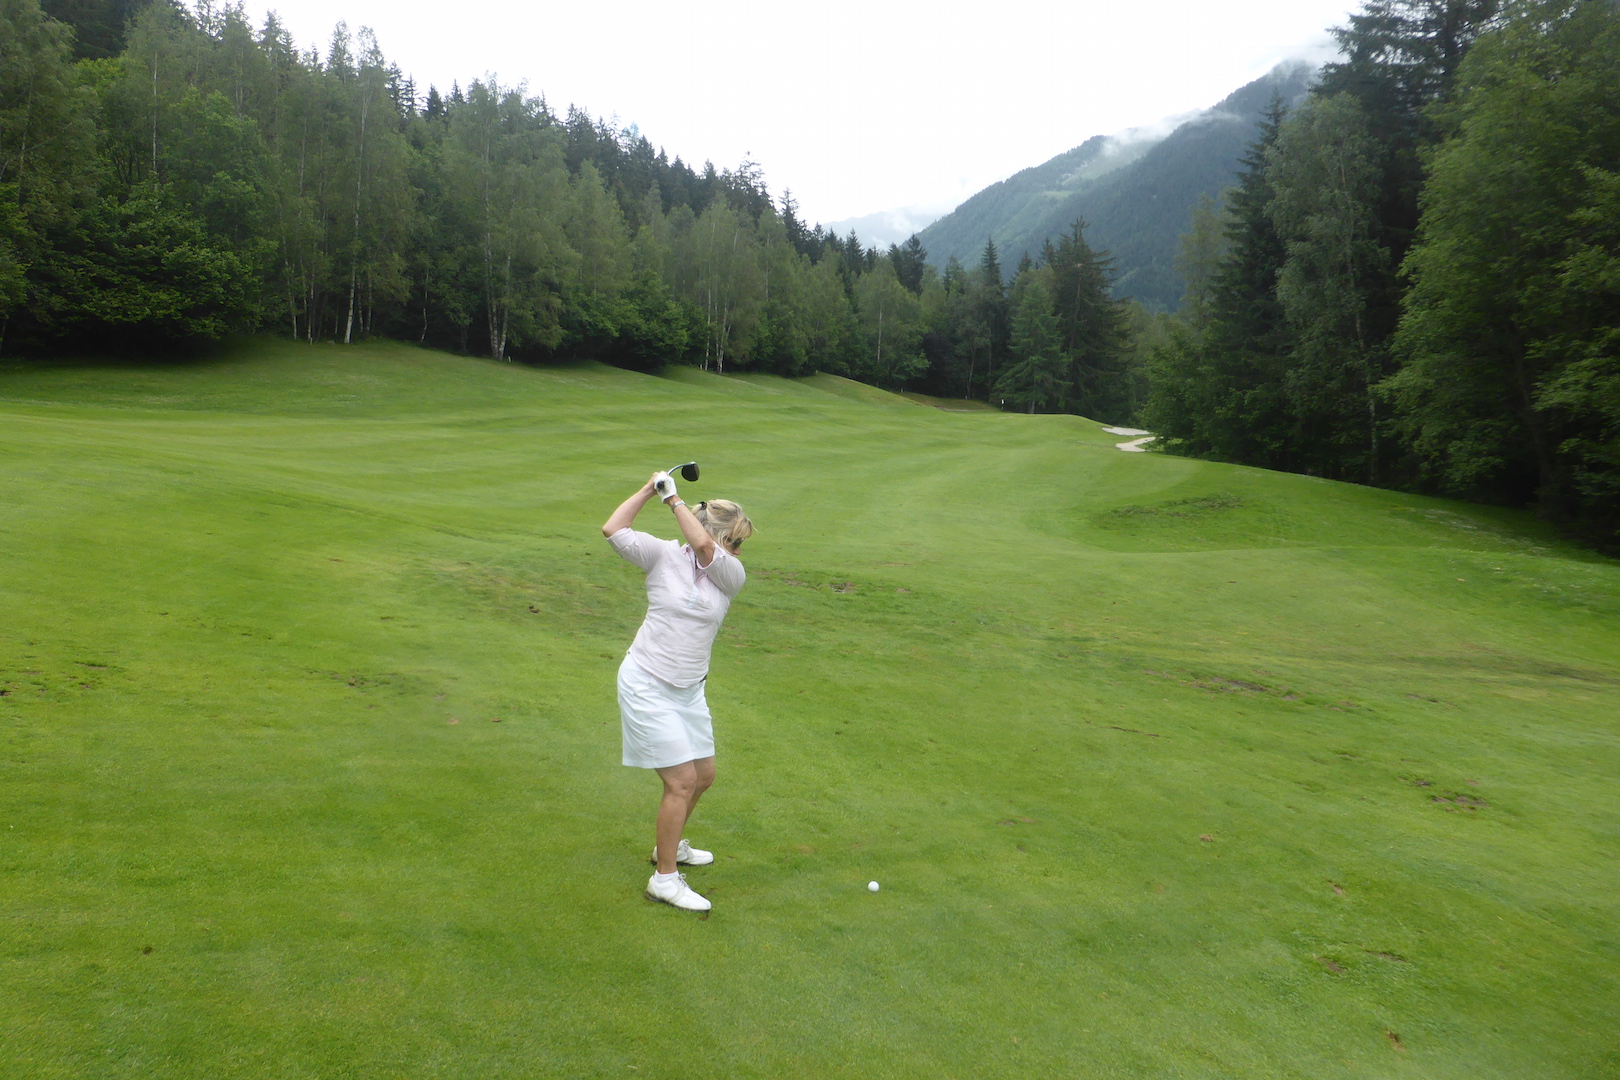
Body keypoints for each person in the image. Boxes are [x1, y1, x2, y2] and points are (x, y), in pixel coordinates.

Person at [602, 471, 754, 912]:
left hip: (689, 690)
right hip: (646, 682)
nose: (739, 551)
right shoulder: (664, 555)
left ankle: (666, 847)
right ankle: (664, 879)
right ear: (713, 532)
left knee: (703, 776)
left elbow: (707, 550)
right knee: (682, 781)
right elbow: (614, 529)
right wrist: (650, 492)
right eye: (735, 540)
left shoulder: (731, 574)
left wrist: (675, 502)